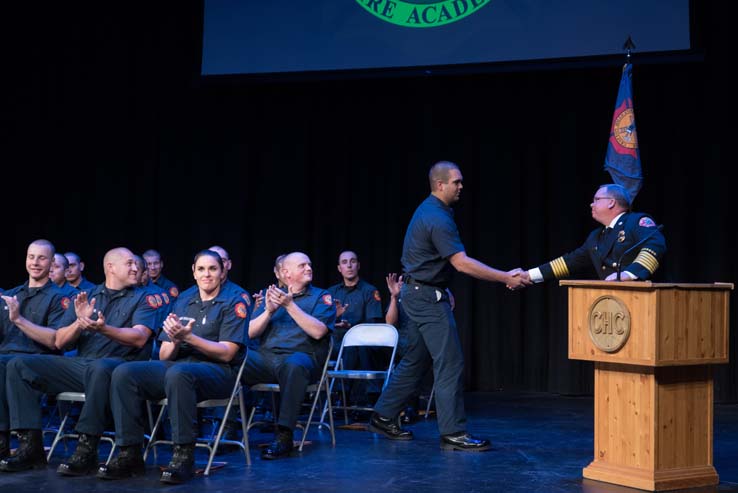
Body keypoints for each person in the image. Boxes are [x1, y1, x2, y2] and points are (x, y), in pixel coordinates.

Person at [368, 160, 529, 452]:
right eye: (456, 182)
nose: (461, 186)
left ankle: (382, 415)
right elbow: (461, 263)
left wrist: (440, 287)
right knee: (450, 362)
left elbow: (430, 261)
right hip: (425, 299)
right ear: (440, 185)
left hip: (420, 293)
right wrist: (506, 277)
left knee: (416, 359)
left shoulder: (433, 211)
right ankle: (453, 432)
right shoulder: (437, 218)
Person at [0, 247, 158, 474]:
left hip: (122, 366)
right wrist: (79, 322)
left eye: (136, 264)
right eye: (130, 263)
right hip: (83, 366)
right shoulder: (86, 296)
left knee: (100, 368)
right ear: (110, 267)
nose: (136, 268)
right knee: (19, 364)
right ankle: (30, 447)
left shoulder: (145, 297)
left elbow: (139, 338)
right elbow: (59, 341)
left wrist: (104, 328)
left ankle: (87, 448)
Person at [97, 249, 250, 483]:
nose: (206, 274)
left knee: (180, 373)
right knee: (124, 371)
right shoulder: (184, 300)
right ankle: (130, 452)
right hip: (179, 367)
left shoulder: (234, 300)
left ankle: (183, 456)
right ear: (194, 272)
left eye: (212, 269)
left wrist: (190, 338)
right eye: (201, 269)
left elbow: (228, 353)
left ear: (222, 273)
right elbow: (165, 355)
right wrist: (177, 339)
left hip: (219, 372)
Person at [245, 252, 335, 460]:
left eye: (309, 265)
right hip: (266, 360)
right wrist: (268, 311)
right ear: (285, 273)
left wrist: (289, 305)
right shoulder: (272, 296)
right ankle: (228, 426)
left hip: (302, 358)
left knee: (294, 365)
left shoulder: (321, 297)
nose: (309, 268)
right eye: (302, 265)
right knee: (234, 356)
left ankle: (284, 435)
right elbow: (249, 333)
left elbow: (319, 332)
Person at [0, 239, 69, 459]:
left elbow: (54, 341)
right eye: (31, 257)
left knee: (11, 365)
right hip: (6, 359)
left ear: (52, 264)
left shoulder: (60, 299)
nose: (35, 262)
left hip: (40, 361)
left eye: (42, 258)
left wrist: (18, 319)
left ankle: (30, 446)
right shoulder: (11, 295)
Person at [522, 183, 666, 284]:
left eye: (596, 200)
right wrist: (529, 275)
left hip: (647, 300)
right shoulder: (596, 236)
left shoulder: (637, 221)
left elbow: (655, 246)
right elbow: (569, 262)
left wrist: (628, 274)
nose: (592, 204)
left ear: (611, 202)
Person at [327, 250, 384, 410]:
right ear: (339, 268)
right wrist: (335, 320)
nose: (349, 265)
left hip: (364, 343)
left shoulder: (369, 291)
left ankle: (347, 396)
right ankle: (350, 397)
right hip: (336, 343)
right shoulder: (331, 293)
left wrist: (351, 328)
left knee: (356, 346)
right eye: (344, 262)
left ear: (358, 265)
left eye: (352, 261)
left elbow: (372, 324)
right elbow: (321, 321)